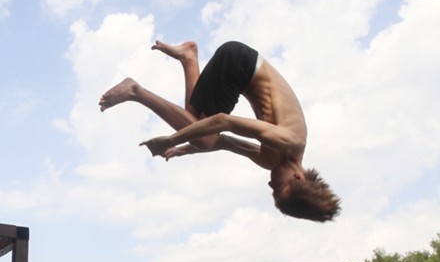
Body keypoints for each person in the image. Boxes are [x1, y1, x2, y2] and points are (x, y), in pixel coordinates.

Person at [99, 40, 340, 221]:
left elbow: (223, 142)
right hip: (240, 62)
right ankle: (135, 91)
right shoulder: (290, 140)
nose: (270, 186)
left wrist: (182, 150)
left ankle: (188, 58)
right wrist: (170, 139)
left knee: (197, 125)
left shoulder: (270, 161)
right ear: (298, 178)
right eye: (277, 188)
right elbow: (224, 122)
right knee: (202, 135)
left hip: (240, 75)